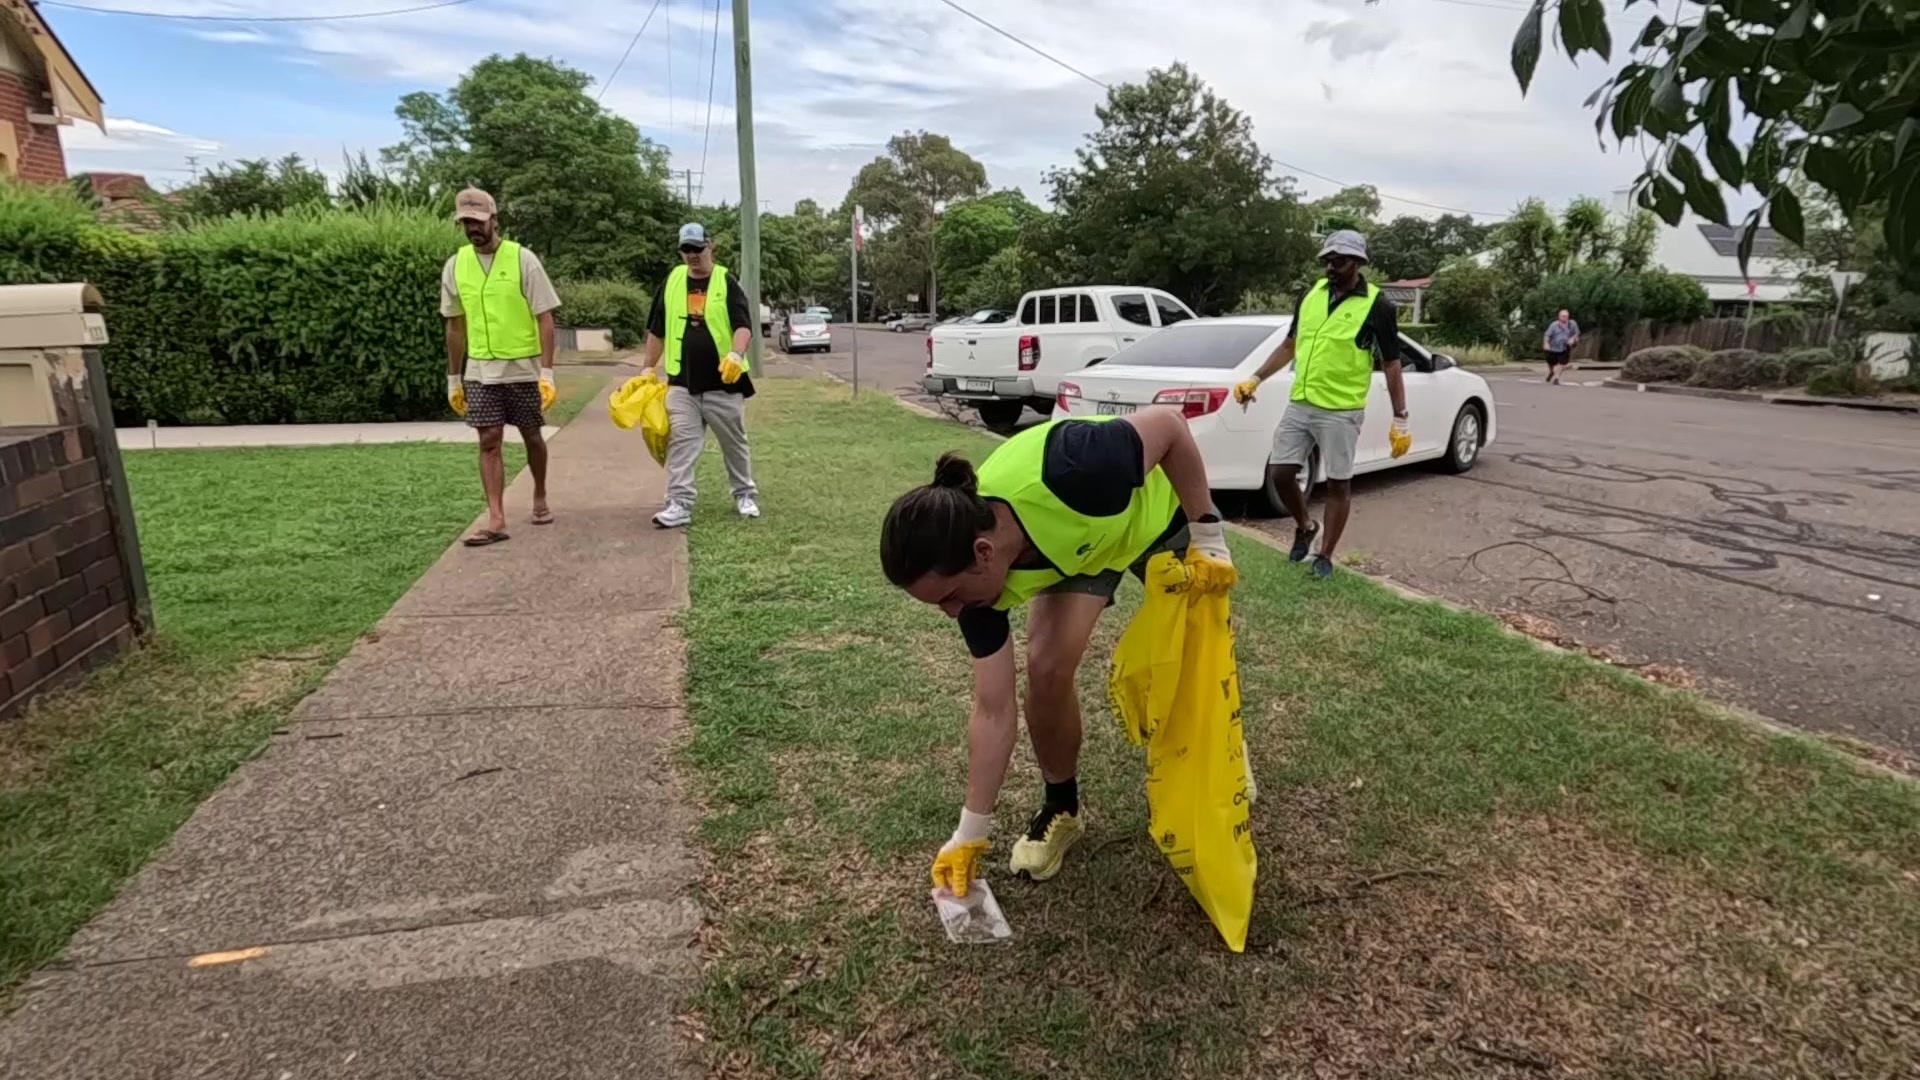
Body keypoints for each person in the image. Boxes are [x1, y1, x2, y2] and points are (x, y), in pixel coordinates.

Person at [879, 410, 1236, 896]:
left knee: (1196, 647)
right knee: (1046, 671)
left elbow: (1171, 428)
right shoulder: (977, 590)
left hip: (1149, 514)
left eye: (951, 596)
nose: (951, 612)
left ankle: (1227, 752)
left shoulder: (1076, 464)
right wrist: (970, 833)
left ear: (983, 552)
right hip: (1081, 550)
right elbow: (992, 708)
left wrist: (1208, 537)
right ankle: (1062, 808)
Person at [1232, 229, 1407, 578]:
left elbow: (1391, 363)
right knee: (1281, 472)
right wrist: (1255, 378)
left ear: (1357, 263)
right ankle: (1305, 525)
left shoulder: (1378, 305)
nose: (1330, 266)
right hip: (1302, 401)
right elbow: (1290, 345)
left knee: (1339, 483)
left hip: (1341, 408)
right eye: (1327, 259)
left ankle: (1325, 555)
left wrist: (1400, 417)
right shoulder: (1311, 294)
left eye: (1338, 260)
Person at [442, 187, 561, 546]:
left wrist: (547, 372)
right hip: (480, 370)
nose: (473, 228)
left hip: (522, 368)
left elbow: (545, 317)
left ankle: (539, 494)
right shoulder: (456, 265)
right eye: (466, 223)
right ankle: (496, 517)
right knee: (488, 439)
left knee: (531, 435)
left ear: (494, 219)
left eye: (478, 221)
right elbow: (454, 324)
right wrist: (454, 378)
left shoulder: (523, 260)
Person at [641, 223, 759, 527]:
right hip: (682, 381)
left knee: (734, 442)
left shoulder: (725, 281)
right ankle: (678, 503)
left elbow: (743, 325)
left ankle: (744, 493)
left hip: (724, 382)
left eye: (697, 248)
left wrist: (736, 353)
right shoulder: (673, 280)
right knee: (681, 441)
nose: (692, 255)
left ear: (710, 246)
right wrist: (646, 368)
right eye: (686, 250)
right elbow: (657, 329)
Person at [1542, 308, 1580, 384]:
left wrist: (1573, 339)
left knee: (1562, 363)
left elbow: (1577, 332)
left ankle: (1556, 378)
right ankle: (1552, 372)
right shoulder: (1554, 325)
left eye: (1566, 316)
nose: (1565, 317)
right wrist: (1546, 343)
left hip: (1565, 347)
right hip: (1553, 347)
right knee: (1550, 361)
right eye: (1563, 316)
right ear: (1559, 316)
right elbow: (1547, 335)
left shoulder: (1572, 324)